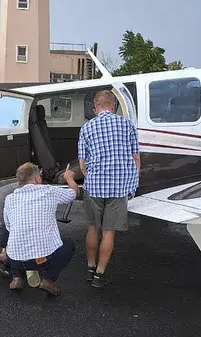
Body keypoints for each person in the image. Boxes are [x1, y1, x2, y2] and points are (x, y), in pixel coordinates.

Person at [78, 89, 140, 288]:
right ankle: (99, 275)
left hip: (95, 186)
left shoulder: (87, 128)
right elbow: (136, 158)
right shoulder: (127, 124)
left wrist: (92, 178)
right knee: (109, 232)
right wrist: (131, 180)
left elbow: (82, 163)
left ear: (96, 109)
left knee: (92, 228)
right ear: (113, 107)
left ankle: (89, 267)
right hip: (119, 187)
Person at [4, 162, 79, 296]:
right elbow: (74, 193)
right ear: (38, 178)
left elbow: (8, 226)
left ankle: (17, 277)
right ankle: (48, 279)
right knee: (68, 246)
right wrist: (69, 178)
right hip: (43, 260)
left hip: (15, 259)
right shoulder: (48, 191)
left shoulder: (10, 198)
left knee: (13, 242)